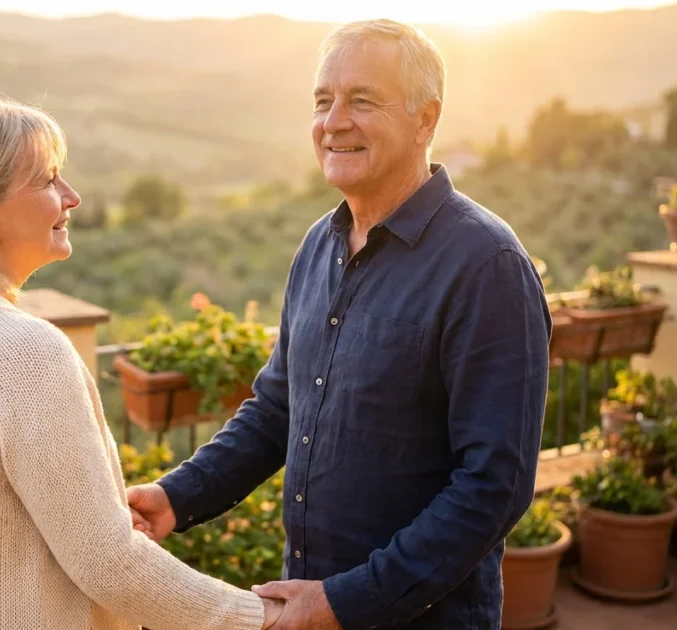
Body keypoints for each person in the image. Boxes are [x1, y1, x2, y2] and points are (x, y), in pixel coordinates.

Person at [127, 19, 551, 630]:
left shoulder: (486, 265)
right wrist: (176, 496)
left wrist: (346, 603)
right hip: (309, 607)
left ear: (425, 120)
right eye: (323, 101)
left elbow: (494, 486)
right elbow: (277, 410)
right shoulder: (317, 245)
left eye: (362, 100)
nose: (334, 121)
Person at [0, 92, 283, 629]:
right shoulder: (23, 353)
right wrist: (262, 618)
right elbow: (111, 566)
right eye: (49, 180)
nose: (72, 197)